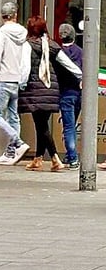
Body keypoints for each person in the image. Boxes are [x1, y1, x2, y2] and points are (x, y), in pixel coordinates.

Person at [18, 16, 81, 172]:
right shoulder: (52, 45)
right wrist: (81, 76)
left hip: (35, 90)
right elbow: (68, 64)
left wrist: (21, 85)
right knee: (41, 125)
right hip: (51, 90)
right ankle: (38, 159)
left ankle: (55, 159)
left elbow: (25, 69)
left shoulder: (28, 45)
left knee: (41, 126)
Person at [0, 1, 31, 165]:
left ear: (2, 16)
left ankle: (18, 143)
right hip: (16, 80)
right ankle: (11, 153)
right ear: (15, 15)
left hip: (4, 79)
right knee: (13, 117)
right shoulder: (24, 33)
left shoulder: (1, 33)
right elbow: (25, 59)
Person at [57, 23, 83, 169]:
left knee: (68, 126)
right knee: (71, 126)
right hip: (78, 94)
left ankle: (72, 157)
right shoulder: (81, 52)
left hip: (65, 94)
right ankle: (69, 155)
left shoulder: (59, 54)